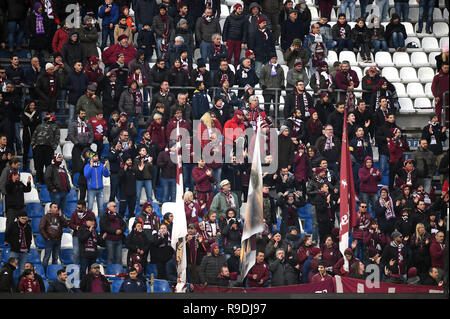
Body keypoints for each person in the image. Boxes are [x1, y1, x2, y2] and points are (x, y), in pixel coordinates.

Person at [39, 203, 68, 270]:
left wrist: (61, 216)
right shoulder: (45, 217)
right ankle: (44, 272)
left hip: (58, 240)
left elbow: (66, 225)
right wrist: (47, 237)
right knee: (47, 257)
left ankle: (54, 273)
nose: (56, 209)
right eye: (54, 207)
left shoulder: (59, 217)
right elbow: (41, 228)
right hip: (49, 240)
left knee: (55, 258)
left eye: (56, 207)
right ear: (50, 208)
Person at [69, 200, 97, 266]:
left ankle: (85, 269)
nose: (77, 209)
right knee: (76, 252)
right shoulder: (74, 213)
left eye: (79, 208)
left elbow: (95, 224)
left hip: (88, 236)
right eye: (77, 207)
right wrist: (76, 227)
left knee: (86, 254)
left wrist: (87, 227)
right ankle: (76, 268)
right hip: (77, 235)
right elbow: (70, 224)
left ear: (84, 207)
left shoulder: (91, 214)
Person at [222, 3, 248, 68]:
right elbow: (225, 29)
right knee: (228, 56)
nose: (240, 10)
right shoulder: (229, 18)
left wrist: (243, 42)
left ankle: (236, 70)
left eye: (241, 9)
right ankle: (227, 69)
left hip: (238, 41)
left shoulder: (244, 19)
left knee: (237, 57)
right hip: (230, 40)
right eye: (239, 9)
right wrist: (224, 40)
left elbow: (245, 31)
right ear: (235, 9)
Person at [21, 101, 41, 171]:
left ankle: (36, 166)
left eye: (33, 105)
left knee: (35, 151)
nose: (32, 107)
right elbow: (25, 123)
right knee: (25, 151)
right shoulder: (24, 113)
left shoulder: (37, 112)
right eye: (31, 105)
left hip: (35, 134)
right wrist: (34, 120)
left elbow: (39, 121)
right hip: (26, 134)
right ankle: (24, 165)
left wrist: (31, 122)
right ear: (28, 106)